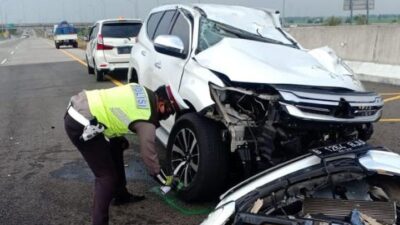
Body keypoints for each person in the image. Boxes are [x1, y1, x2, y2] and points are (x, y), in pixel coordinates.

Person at [64, 83, 188, 225]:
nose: (167, 115)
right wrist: (164, 179)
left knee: (117, 145)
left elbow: (117, 109)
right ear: (161, 102)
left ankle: (121, 194)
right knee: (106, 177)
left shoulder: (141, 89)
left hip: (82, 104)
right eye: (169, 110)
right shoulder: (147, 119)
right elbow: (149, 156)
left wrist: (119, 138)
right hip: (82, 123)